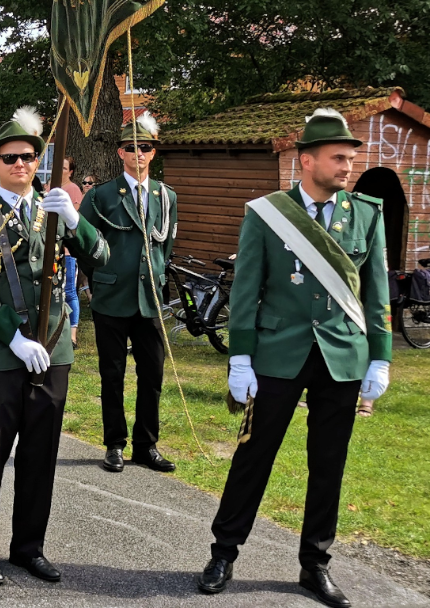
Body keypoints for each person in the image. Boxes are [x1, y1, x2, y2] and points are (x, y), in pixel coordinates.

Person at [197, 109, 392, 608]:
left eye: (351, 158)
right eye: (339, 158)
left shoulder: (367, 214)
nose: (349, 166)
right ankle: (224, 552)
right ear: (307, 161)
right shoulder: (267, 213)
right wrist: (240, 357)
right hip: (277, 352)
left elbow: (377, 294)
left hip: (342, 356)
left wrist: (380, 358)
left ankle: (315, 564)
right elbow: (245, 291)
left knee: (329, 464)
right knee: (253, 456)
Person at [0, 107, 110, 586]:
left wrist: (75, 221)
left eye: (28, 156)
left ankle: (28, 548)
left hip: (55, 349)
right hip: (7, 352)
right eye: (10, 158)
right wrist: (15, 338)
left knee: (40, 455)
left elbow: (101, 257)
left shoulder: (55, 209)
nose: (21, 164)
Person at [81, 112, 178, 474]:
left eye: (145, 147)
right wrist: (100, 278)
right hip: (112, 298)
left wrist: (152, 276)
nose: (138, 154)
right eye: (130, 148)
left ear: (153, 153)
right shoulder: (102, 196)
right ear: (120, 153)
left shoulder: (166, 196)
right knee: (113, 374)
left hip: (149, 299)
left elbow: (164, 247)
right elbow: (83, 245)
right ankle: (114, 444)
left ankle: (146, 445)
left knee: (152, 375)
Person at [59, 157, 85, 347]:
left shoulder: (73, 189)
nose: (60, 170)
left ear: (70, 171)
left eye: (64, 167)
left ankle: (73, 335)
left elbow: (74, 219)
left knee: (69, 291)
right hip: (50, 249)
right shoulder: (49, 188)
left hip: (67, 250)